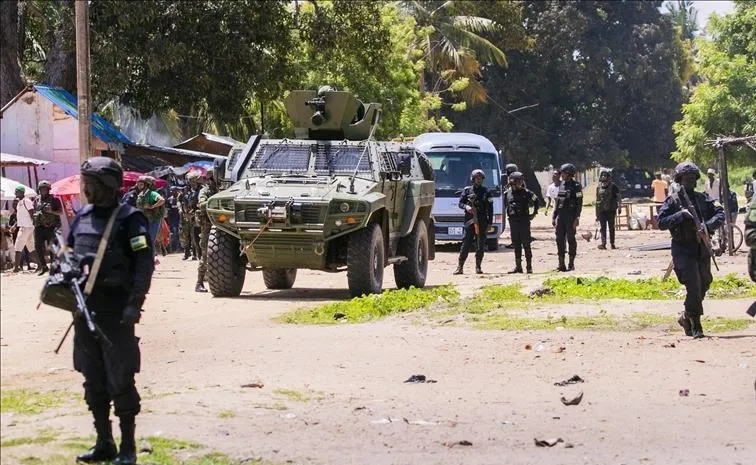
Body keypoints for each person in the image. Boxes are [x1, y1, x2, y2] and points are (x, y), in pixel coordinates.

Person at [68, 157, 154, 464]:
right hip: (84, 312)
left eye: (89, 184)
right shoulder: (82, 217)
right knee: (93, 379)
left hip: (116, 314)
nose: (85, 190)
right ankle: (104, 442)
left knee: (121, 379)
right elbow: (68, 254)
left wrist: (134, 303)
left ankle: (128, 447)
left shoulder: (131, 219)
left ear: (107, 186)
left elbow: (144, 264)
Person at [657, 162, 724, 338]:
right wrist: (680, 215)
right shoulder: (673, 200)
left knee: (705, 282)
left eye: (693, 178)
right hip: (683, 249)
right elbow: (661, 222)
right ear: (680, 180)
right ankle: (696, 323)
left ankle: (686, 315)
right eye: (687, 178)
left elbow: (720, 214)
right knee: (693, 285)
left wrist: (706, 226)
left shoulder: (702, 199)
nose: (691, 181)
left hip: (701, 247)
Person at [453, 169, 494, 275]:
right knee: (466, 244)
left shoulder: (487, 192)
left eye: (480, 178)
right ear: (473, 179)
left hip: (482, 221)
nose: (478, 180)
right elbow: (460, 203)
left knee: (480, 245)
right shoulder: (467, 190)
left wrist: (490, 223)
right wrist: (466, 207)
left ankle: (478, 266)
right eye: (477, 178)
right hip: (469, 221)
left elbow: (490, 208)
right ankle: (460, 267)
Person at [504, 171, 538, 273]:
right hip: (513, 222)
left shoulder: (526, 193)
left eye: (521, 181)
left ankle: (529, 267)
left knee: (526, 244)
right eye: (519, 181)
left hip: (524, 222)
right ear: (512, 182)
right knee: (516, 244)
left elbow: (536, 200)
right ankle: (518, 267)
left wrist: (534, 213)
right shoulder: (507, 194)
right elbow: (506, 206)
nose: (521, 183)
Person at [553, 163, 583, 271]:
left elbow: (579, 203)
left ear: (569, 174)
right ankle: (561, 264)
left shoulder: (576, 186)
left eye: (563, 173)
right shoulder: (561, 185)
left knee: (571, 239)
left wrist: (577, 218)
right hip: (561, 217)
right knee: (559, 239)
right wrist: (554, 216)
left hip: (571, 217)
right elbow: (558, 202)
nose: (561, 175)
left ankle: (571, 263)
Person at [195, 172, 218, 292]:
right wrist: (216, 203)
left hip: (221, 226)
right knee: (205, 255)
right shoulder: (204, 191)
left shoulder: (220, 189)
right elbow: (202, 204)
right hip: (207, 227)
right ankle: (199, 282)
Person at [33, 180, 63, 275]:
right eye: (42, 189)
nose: (43, 191)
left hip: (51, 227)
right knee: (38, 247)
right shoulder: (36, 200)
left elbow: (60, 212)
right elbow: (35, 211)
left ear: (48, 189)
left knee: (52, 248)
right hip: (39, 227)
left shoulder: (54, 199)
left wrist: (51, 211)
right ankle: (44, 266)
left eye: (45, 189)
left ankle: (54, 267)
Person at [135, 176, 166, 257]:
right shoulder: (141, 194)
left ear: (146, 185)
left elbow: (162, 200)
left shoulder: (152, 193)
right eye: (138, 184)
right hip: (143, 219)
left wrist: (153, 206)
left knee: (150, 240)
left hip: (153, 220)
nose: (139, 186)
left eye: (141, 184)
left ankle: (150, 260)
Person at [11, 185, 39, 272]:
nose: (15, 193)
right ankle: (41, 265)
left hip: (26, 228)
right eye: (15, 191)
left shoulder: (26, 201)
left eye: (17, 191)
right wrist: (15, 225)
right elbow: (21, 217)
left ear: (22, 192)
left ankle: (16, 268)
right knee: (31, 248)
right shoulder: (19, 202)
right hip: (26, 227)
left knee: (17, 247)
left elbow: (31, 213)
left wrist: (33, 224)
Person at [595, 169, 621, 250]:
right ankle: (603, 244)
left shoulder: (613, 186)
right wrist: (597, 214)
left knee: (611, 228)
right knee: (603, 228)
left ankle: (612, 243)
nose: (603, 177)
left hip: (611, 210)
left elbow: (618, 197)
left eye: (605, 175)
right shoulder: (598, 187)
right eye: (602, 175)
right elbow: (597, 200)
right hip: (602, 210)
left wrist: (619, 207)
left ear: (609, 177)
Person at [179, 172, 201, 261]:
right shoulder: (185, 190)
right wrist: (182, 210)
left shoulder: (201, 190)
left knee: (195, 235)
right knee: (185, 234)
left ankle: (196, 254)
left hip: (195, 215)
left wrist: (192, 213)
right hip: (185, 216)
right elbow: (180, 201)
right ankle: (186, 252)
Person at [166, 187, 182, 253]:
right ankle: (177, 247)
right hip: (173, 219)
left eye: (174, 190)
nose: (172, 191)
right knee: (175, 233)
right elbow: (168, 210)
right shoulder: (169, 199)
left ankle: (183, 247)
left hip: (180, 218)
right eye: (171, 190)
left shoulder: (180, 198)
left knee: (181, 233)